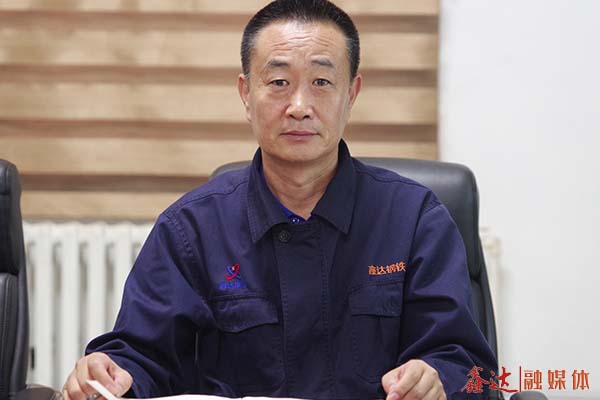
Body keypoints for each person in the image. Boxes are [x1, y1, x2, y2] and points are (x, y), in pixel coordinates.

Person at [62, 1, 497, 399]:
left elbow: (469, 366)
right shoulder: (191, 228)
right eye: (278, 82)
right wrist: (112, 376)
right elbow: (142, 355)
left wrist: (437, 378)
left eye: (322, 82)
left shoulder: (414, 219)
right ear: (245, 93)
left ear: (351, 94)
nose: (299, 106)